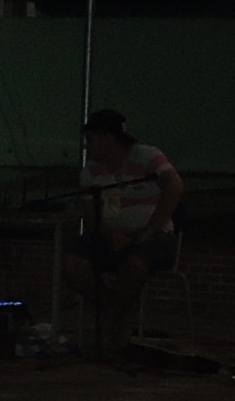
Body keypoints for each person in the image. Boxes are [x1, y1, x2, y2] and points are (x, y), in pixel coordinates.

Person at [64, 105, 185, 366]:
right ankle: (117, 309)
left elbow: (174, 187)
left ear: (108, 138)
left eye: (91, 139)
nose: (87, 146)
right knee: (73, 263)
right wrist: (109, 234)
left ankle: (108, 326)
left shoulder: (148, 156)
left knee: (136, 264)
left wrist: (149, 230)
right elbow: (91, 217)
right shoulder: (91, 171)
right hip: (109, 237)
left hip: (152, 237)